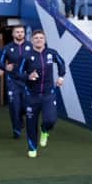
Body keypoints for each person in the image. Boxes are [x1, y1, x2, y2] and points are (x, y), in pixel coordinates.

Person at [18, 30, 66, 158]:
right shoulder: (26, 56)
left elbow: (62, 63)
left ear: (44, 40)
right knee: (31, 124)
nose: (39, 40)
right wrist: (28, 76)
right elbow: (19, 73)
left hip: (48, 94)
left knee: (50, 119)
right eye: (36, 38)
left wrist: (61, 77)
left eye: (41, 38)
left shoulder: (51, 53)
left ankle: (45, 131)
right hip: (31, 95)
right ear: (32, 40)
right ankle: (32, 148)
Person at [0, 26, 32, 139]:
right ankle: (16, 130)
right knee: (14, 106)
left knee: (26, 106)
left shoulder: (30, 46)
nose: (20, 34)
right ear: (13, 34)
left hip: (27, 81)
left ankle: (21, 116)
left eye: (22, 32)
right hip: (12, 81)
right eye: (17, 32)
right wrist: (5, 67)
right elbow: (0, 62)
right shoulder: (7, 48)